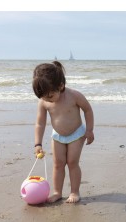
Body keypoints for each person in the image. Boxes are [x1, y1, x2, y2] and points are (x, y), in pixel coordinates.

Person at [32, 61, 94, 203]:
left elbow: (88, 110)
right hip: (57, 135)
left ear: (60, 86)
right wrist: (37, 143)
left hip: (77, 134)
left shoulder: (74, 96)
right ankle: (57, 192)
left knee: (72, 162)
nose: (48, 100)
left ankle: (74, 192)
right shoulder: (44, 101)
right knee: (58, 164)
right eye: (44, 97)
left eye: (50, 96)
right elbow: (40, 123)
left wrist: (89, 130)